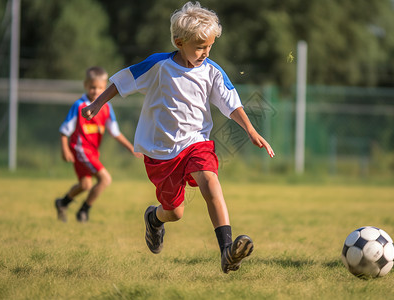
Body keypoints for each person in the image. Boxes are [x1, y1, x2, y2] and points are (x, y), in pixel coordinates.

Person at [81, 2, 274, 273]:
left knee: (211, 182)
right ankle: (154, 219)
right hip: (161, 153)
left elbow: (231, 103)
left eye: (209, 47)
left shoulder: (211, 70)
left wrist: (252, 131)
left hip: (196, 143)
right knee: (174, 212)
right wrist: (97, 104)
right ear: (178, 41)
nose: (205, 53)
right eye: (199, 47)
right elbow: (121, 82)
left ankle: (227, 251)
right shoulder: (158, 65)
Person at [55, 66, 142, 223]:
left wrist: (131, 148)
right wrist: (65, 148)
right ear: (86, 85)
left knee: (86, 184)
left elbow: (115, 132)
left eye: (100, 88)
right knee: (105, 179)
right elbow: (65, 130)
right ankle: (84, 211)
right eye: (92, 87)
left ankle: (62, 202)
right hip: (80, 150)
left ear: (105, 89)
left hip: (92, 152)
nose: (96, 91)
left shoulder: (106, 107)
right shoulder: (79, 106)